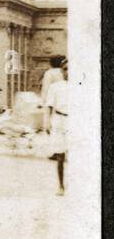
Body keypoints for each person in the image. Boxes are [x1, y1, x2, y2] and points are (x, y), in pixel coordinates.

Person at [45, 57, 68, 194]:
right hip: (59, 119)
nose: (68, 72)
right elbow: (49, 105)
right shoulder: (56, 87)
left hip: (75, 120)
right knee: (60, 155)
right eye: (65, 69)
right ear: (61, 71)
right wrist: (47, 122)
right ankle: (61, 185)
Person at [41, 55, 66, 133]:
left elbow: (46, 88)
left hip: (52, 97)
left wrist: (43, 101)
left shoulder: (49, 73)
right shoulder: (64, 71)